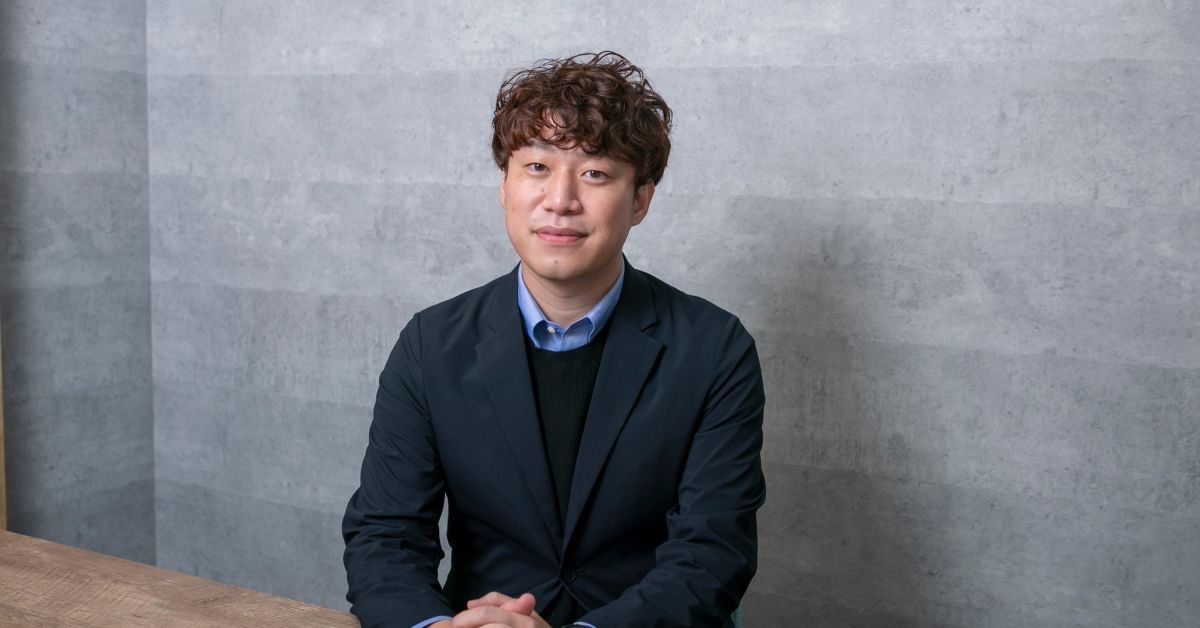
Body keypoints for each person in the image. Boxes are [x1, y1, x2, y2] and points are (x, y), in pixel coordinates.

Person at [342, 51, 765, 628]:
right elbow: (385, 535)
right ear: (505, 186)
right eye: (537, 166)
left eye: (595, 173)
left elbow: (712, 554)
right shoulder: (431, 343)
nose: (560, 200)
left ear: (640, 199)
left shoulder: (715, 348)